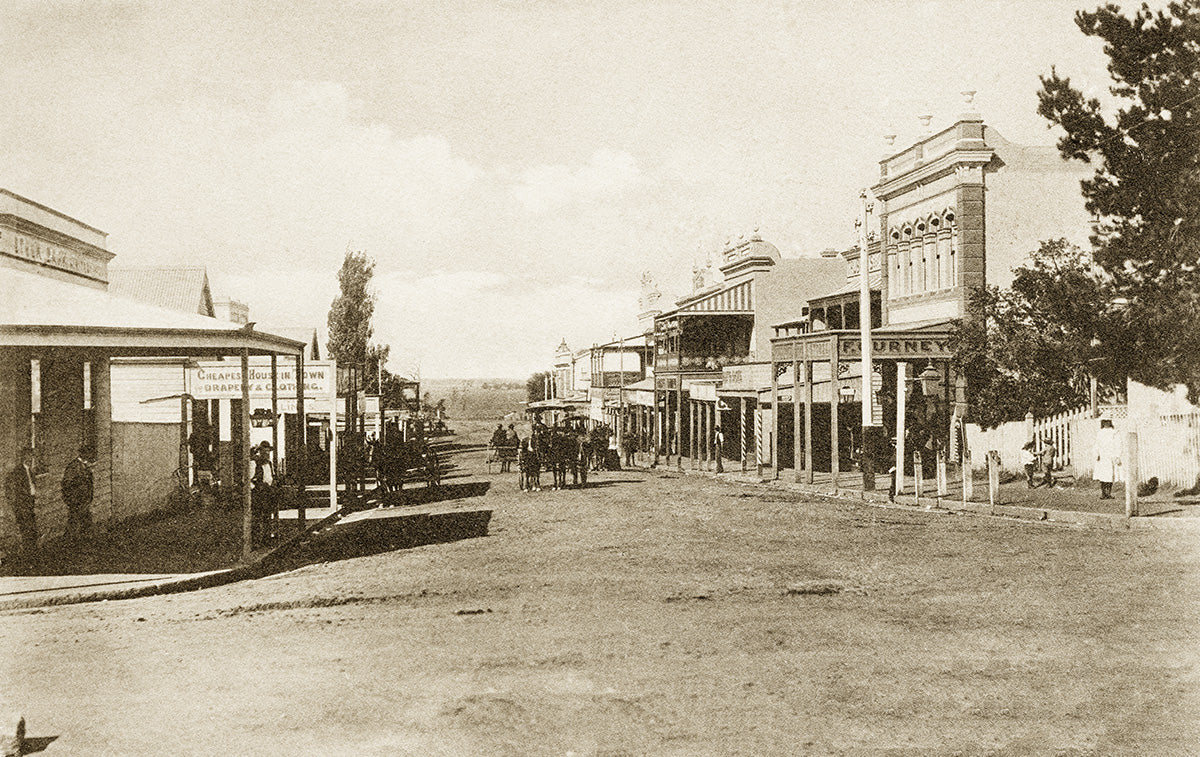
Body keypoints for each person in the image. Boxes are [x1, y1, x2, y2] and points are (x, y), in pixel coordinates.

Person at [7, 448, 37, 564]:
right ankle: (27, 557)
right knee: (27, 531)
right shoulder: (18, 472)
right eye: (28, 456)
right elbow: (12, 491)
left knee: (32, 531)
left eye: (31, 457)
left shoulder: (30, 471)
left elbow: (32, 486)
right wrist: (17, 505)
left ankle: (32, 555)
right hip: (22, 506)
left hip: (30, 505)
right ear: (23, 457)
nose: (30, 459)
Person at [61, 444, 95, 542]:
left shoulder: (85, 466)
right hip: (76, 500)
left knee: (84, 521)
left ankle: (82, 542)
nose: (89, 456)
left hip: (84, 500)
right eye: (87, 453)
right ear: (82, 454)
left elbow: (89, 483)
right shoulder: (73, 466)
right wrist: (71, 499)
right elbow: (66, 484)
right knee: (75, 521)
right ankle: (71, 542)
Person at [250, 441, 276, 546]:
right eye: (264, 452)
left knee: (267, 516)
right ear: (259, 452)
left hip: (268, 493)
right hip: (258, 494)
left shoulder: (269, 463)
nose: (267, 454)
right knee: (257, 517)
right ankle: (256, 540)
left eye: (268, 452)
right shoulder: (254, 463)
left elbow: (272, 477)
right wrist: (256, 488)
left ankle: (266, 539)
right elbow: (248, 480)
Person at [1094, 418, 1121, 500]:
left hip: (1110, 455)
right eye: (1104, 422)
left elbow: (1118, 444)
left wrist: (1117, 455)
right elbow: (1097, 444)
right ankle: (1103, 493)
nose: (1106, 423)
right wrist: (1097, 453)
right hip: (1102, 455)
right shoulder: (1100, 433)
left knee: (1110, 474)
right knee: (1102, 474)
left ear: (1110, 422)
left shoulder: (1114, 432)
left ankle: (1108, 493)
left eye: (1108, 421)